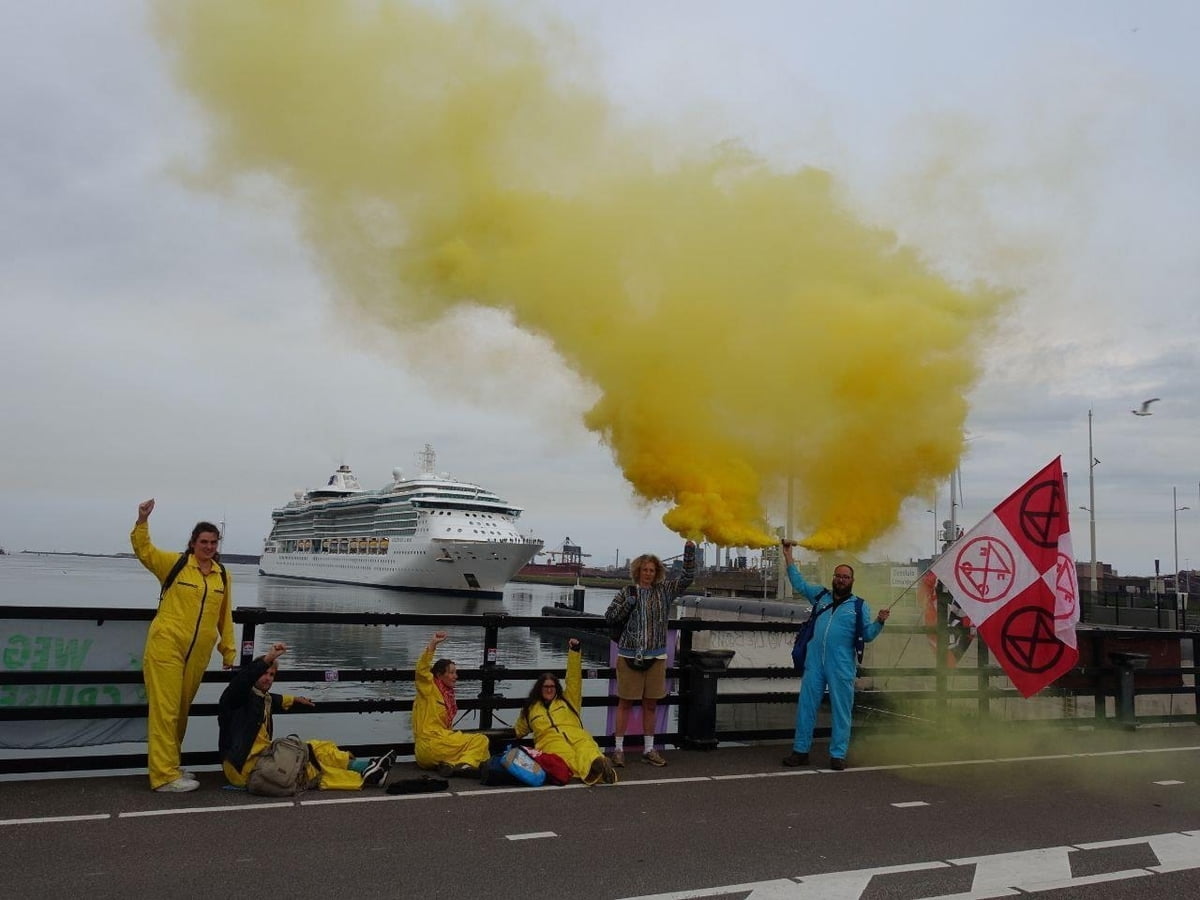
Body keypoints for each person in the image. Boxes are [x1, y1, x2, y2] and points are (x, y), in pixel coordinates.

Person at [132, 498, 236, 793]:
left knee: (180, 710)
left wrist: (228, 649)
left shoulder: (222, 575)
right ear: (193, 543)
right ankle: (163, 776)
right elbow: (145, 551)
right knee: (165, 711)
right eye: (203, 541)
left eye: (213, 542)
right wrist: (142, 521)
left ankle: (171, 765)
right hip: (166, 646)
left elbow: (224, 616)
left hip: (198, 654)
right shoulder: (175, 564)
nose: (208, 547)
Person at [218, 642, 393, 790]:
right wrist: (268, 659)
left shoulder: (264, 697)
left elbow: (275, 699)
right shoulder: (237, 697)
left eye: (272, 675)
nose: (269, 678)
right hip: (243, 767)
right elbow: (243, 680)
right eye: (264, 673)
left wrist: (295, 699)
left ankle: (365, 766)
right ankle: (362, 778)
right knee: (306, 769)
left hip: (263, 757)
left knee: (315, 748)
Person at [780, 540, 889, 770]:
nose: (841, 579)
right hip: (815, 663)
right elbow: (798, 582)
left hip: (841, 666)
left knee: (841, 709)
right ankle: (800, 751)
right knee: (806, 706)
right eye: (838, 576)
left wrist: (879, 622)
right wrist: (788, 555)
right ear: (833, 577)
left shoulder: (859, 606)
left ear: (852, 581)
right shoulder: (820, 596)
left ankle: (838, 754)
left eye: (845, 577)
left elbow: (866, 635)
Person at [603, 540, 695, 767]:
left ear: (657, 573)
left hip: (656, 656)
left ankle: (649, 748)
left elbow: (686, 579)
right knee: (624, 702)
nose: (648, 573)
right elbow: (610, 617)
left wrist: (689, 552)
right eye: (644, 570)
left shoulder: (664, 592)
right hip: (628, 654)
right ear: (638, 571)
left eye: (652, 570)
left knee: (651, 704)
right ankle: (618, 749)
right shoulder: (627, 592)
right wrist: (629, 604)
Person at [514, 638, 617, 785]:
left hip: (576, 734)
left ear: (557, 688)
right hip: (549, 741)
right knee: (565, 756)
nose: (549, 689)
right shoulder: (530, 708)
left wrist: (574, 653)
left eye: (552, 686)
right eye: (546, 687)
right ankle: (596, 770)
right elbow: (519, 730)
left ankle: (599, 764)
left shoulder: (568, 700)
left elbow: (574, 679)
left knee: (587, 748)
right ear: (539, 689)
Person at [413, 631, 491, 777]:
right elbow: (421, 670)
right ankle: (461, 765)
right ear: (439, 675)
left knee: (476, 747)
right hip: (433, 744)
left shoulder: (446, 694)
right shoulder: (429, 688)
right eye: (452, 673)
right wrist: (432, 645)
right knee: (481, 740)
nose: (456, 676)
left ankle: (452, 764)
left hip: (428, 751)